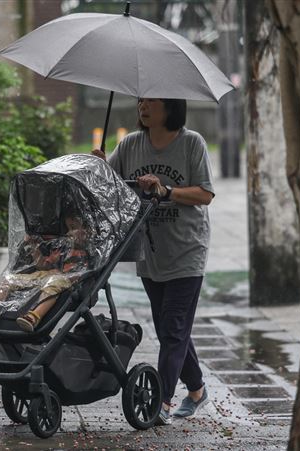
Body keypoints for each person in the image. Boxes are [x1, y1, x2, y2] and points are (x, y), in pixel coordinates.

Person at [92, 98, 214, 425]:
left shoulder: (192, 143)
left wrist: (166, 190)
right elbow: (110, 185)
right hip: (150, 251)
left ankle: (162, 401)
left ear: (171, 107)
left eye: (152, 102)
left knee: (173, 328)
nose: (143, 107)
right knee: (168, 329)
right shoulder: (131, 145)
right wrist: (100, 165)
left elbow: (205, 194)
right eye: (141, 101)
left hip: (187, 251)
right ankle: (198, 389)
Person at [0, 214, 90, 333]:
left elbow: (83, 272)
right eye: (69, 229)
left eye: (74, 228)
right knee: (9, 280)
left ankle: (34, 317)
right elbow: (42, 265)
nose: (70, 233)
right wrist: (33, 245)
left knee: (54, 283)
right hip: (48, 274)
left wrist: (65, 274)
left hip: (68, 280)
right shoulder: (63, 246)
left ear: (87, 231)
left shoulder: (88, 251)